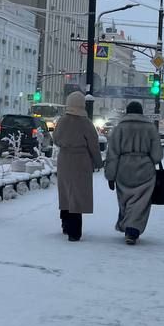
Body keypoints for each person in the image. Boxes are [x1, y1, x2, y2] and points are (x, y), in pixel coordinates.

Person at [105, 101, 163, 245]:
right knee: (141, 201)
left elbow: (112, 154)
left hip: (123, 168)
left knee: (125, 199)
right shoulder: (150, 128)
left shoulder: (119, 128)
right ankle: (133, 230)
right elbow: (157, 155)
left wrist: (110, 176)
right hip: (145, 169)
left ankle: (127, 225)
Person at [55, 91, 104, 241]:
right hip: (81, 160)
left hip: (64, 159)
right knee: (77, 195)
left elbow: (55, 139)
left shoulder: (62, 121)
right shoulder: (86, 123)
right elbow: (94, 145)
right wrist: (98, 162)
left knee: (65, 192)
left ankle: (65, 223)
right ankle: (74, 232)